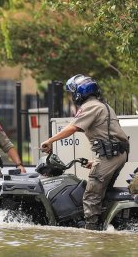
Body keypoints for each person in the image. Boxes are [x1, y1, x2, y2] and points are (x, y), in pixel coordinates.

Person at [40, 74, 129, 230]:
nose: (72, 95)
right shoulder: (103, 105)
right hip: (117, 155)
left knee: (91, 195)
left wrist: (50, 141)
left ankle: (91, 231)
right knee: (103, 192)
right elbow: (105, 135)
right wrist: (95, 162)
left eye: (72, 92)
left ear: (79, 92)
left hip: (111, 157)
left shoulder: (89, 107)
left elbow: (72, 128)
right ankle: (106, 224)